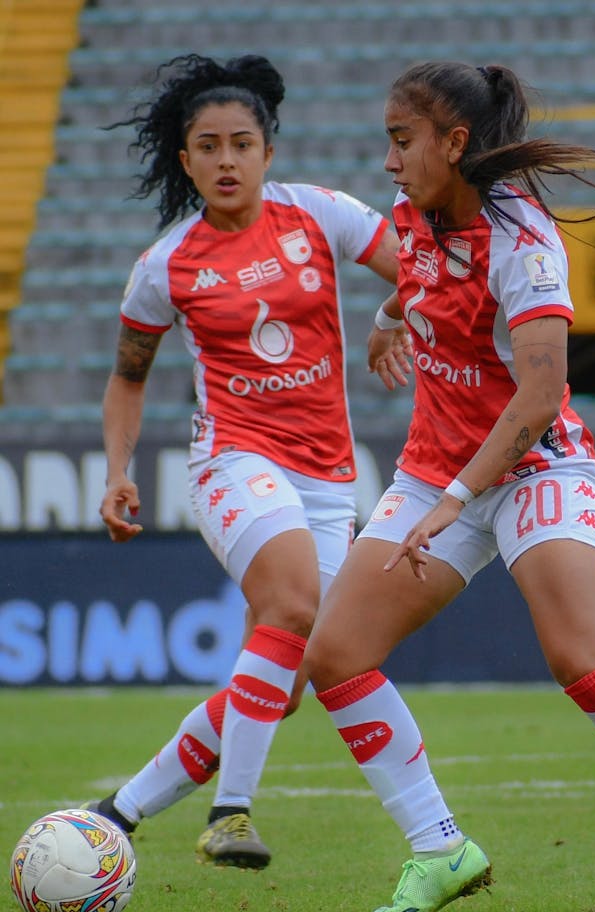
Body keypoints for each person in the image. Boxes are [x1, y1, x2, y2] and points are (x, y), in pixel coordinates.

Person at [301, 60, 595, 912]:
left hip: (533, 464)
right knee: (335, 655)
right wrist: (389, 321)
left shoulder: (524, 241)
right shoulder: (416, 214)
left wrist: (455, 499)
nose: (390, 163)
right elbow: (417, 276)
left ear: (455, 142)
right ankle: (441, 849)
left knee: (581, 662)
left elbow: (540, 396)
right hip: (439, 471)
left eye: (403, 142)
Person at [88, 52, 409, 869]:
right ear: (185, 158)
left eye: (241, 143)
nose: (226, 160)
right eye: (208, 146)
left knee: (282, 684)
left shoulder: (319, 215)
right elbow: (128, 380)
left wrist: (389, 315)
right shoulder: (167, 266)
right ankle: (231, 812)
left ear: (268, 150)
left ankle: (116, 814)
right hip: (233, 458)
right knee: (295, 603)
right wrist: (118, 470)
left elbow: (422, 266)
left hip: (329, 475)